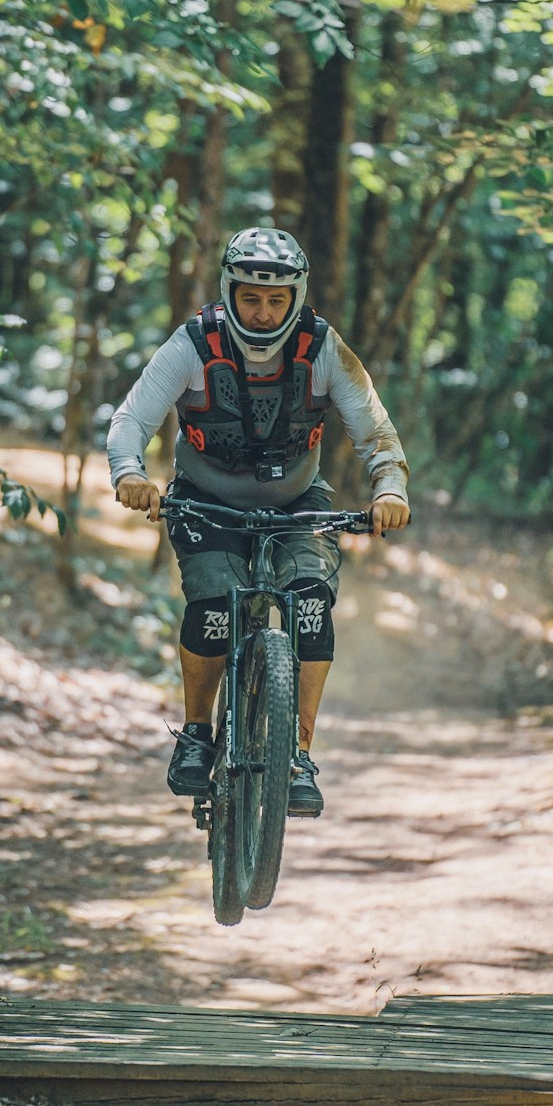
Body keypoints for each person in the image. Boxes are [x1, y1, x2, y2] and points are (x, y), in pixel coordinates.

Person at [107, 228, 411, 817]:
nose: (264, 313)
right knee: (214, 604)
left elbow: (375, 430)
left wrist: (390, 488)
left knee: (311, 602)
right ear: (230, 292)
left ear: (297, 296)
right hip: (205, 500)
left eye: (276, 300)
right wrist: (129, 473)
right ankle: (197, 734)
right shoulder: (193, 344)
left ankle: (298, 753)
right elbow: (130, 420)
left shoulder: (323, 348)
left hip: (298, 501)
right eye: (251, 298)